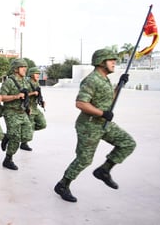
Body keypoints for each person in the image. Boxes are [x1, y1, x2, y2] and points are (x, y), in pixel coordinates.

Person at [54, 48, 136, 203]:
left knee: (127, 143)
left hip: (103, 124)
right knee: (84, 160)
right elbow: (81, 103)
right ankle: (62, 185)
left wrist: (120, 85)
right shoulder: (92, 79)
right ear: (101, 61)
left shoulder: (104, 79)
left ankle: (104, 170)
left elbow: (109, 98)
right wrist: (102, 113)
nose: (114, 63)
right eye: (111, 60)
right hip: (89, 126)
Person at [0, 58, 32, 170]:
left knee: (28, 136)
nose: (25, 69)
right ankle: (8, 159)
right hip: (11, 111)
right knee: (15, 138)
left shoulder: (26, 81)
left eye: (25, 67)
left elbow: (27, 96)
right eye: (22, 67)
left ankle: (7, 136)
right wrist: (15, 96)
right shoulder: (9, 82)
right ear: (16, 69)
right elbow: (1, 97)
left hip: (22, 112)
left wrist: (28, 107)